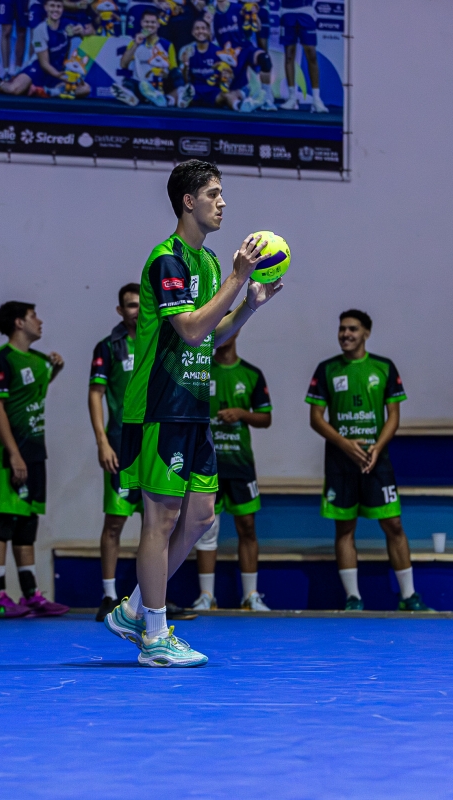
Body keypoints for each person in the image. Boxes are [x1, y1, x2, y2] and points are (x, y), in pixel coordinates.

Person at [104, 159, 283, 667]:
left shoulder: (207, 263)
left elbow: (213, 334)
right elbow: (188, 329)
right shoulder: (168, 260)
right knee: (160, 520)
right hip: (160, 407)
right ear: (188, 201)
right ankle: (154, 637)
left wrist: (249, 305)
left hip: (193, 408)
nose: (222, 203)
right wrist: (237, 277)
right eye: (213, 194)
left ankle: (134, 609)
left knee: (201, 515)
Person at [306, 310, 431, 612]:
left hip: (376, 461)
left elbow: (394, 416)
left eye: (352, 329)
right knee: (344, 529)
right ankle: (353, 598)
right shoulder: (326, 369)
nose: (345, 334)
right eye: (342, 329)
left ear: (366, 333)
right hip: (340, 464)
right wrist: (345, 444)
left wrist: (377, 447)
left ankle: (409, 597)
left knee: (394, 524)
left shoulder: (384, 367)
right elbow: (316, 418)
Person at [0, 301, 69, 618]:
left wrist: (55, 370)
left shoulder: (39, 360)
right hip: (9, 456)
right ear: (19, 322)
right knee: (4, 521)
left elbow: (31, 394)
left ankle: (31, 594)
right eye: (34, 316)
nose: (40, 321)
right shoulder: (0, 359)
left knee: (27, 523)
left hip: (35, 453)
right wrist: (14, 454)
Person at [191, 328, 272, 611]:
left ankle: (251, 596)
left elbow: (265, 418)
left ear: (236, 333)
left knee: (247, 526)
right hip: (206, 464)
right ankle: (206, 596)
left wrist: (241, 414)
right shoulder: (199, 371)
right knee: (205, 528)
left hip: (240, 464)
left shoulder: (251, 373)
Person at [88, 284, 143, 622]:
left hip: (155, 446)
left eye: (141, 303)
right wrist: (102, 442)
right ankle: (109, 596)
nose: (136, 310)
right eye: (130, 305)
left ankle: (150, 597)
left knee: (158, 525)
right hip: (121, 446)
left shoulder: (161, 339)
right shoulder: (108, 347)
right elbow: (96, 394)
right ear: (120, 311)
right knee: (115, 522)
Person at [0, 0, 92, 98]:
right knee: (14, 89)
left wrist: (83, 32)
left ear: (62, 9)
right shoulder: (40, 30)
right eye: (52, 6)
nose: (55, 10)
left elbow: (89, 33)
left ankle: (48, 91)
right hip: (39, 69)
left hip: (58, 71)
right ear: (46, 8)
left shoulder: (67, 25)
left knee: (85, 89)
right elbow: (44, 64)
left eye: (58, 7)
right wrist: (59, 75)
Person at [112, 8, 183, 107]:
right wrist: (136, 44)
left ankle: (172, 96)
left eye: (153, 22)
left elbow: (173, 70)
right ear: (141, 23)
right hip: (141, 85)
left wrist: (163, 74)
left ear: (158, 24)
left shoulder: (167, 45)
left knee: (176, 75)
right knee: (128, 81)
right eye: (146, 22)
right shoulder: (134, 43)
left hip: (160, 84)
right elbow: (123, 65)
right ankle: (132, 97)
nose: (149, 25)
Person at [278, 0, 327, 112]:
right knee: (289, 55)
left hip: (306, 10)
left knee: (311, 54)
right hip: (287, 10)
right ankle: (292, 97)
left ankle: (316, 99)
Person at [178, 18, 224, 107]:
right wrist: (186, 66)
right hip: (194, 92)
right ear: (192, 32)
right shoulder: (187, 51)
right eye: (197, 28)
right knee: (179, 93)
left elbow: (224, 78)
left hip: (214, 92)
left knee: (228, 95)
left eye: (203, 28)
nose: (200, 31)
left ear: (209, 31)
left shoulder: (218, 51)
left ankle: (243, 105)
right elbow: (185, 80)